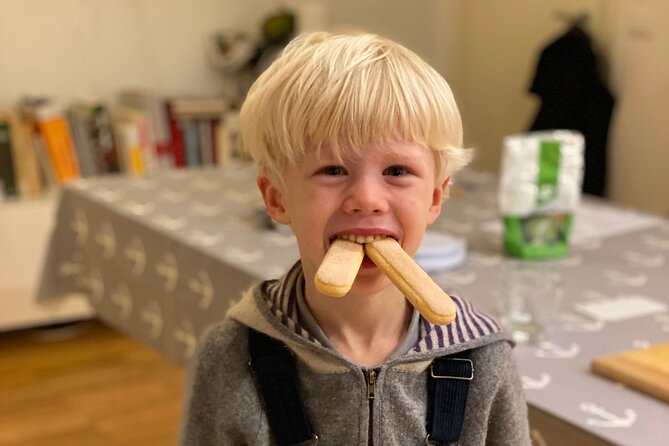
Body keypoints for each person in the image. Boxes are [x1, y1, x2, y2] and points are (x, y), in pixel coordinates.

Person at [180, 31, 530, 445]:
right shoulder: (231, 357)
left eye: (397, 171)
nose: (366, 199)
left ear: (435, 197)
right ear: (277, 198)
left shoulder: (484, 359)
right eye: (332, 170)